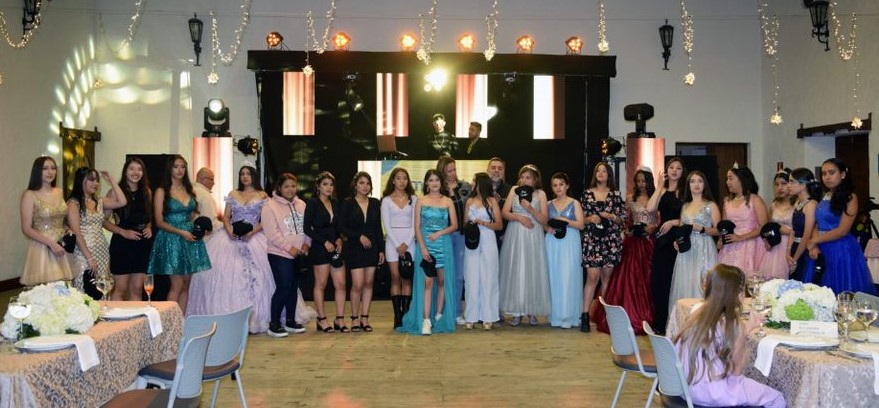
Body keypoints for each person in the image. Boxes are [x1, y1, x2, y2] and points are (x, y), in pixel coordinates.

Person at [674, 264, 786, 408]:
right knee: (777, 398)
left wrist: (748, 327)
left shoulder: (697, 313)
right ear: (738, 294)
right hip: (716, 394)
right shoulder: (733, 324)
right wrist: (742, 335)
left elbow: (719, 338)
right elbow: (736, 373)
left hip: (686, 388)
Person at [188, 165, 278, 334]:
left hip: (254, 236)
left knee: (262, 274)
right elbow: (226, 217)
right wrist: (229, 232)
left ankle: (259, 317)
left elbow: (264, 220)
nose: (245, 176)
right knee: (222, 273)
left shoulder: (262, 195)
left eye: (248, 173)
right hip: (230, 236)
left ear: (254, 176)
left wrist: (252, 233)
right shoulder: (233, 194)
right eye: (242, 174)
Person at [593, 167, 657, 334]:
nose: (641, 184)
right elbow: (624, 220)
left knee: (648, 278)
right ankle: (624, 315)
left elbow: (659, 219)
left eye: (644, 181)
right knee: (627, 278)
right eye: (638, 181)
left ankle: (649, 316)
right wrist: (628, 230)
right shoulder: (629, 199)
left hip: (649, 243)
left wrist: (653, 227)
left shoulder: (656, 197)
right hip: (633, 243)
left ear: (649, 182)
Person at [147, 155, 211, 314]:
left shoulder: (189, 189)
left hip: (189, 239)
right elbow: (159, 221)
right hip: (171, 238)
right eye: (176, 166)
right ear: (169, 169)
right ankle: (170, 322)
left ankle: (182, 321)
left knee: (186, 285)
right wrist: (180, 232)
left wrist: (199, 229)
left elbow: (191, 216)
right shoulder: (161, 191)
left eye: (183, 166)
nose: (180, 170)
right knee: (177, 285)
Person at [803, 159, 877, 294]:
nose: (827, 177)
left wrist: (814, 241)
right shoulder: (825, 196)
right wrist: (814, 245)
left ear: (842, 174)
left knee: (841, 291)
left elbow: (842, 230)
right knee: (819, 291)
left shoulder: (850, 197)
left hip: (840, 248)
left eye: (831, 173)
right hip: (821, 247)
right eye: (824, 174)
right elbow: (817, 224)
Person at [398, 169, 458, 335]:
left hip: (443, 245)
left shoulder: (448, 201)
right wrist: (423, 247)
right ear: (426, 183)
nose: (434, 183)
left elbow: (454, 225)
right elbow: (417, 227)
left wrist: (440, 233)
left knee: (442, 281)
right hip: (426, 246)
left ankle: (438, 315)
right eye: (431, 180)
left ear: (441, 182)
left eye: (436, 180)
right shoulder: (421, 200)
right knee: (428, 283)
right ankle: (426, 320)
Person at [261, 173, 316, 338]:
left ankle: (290, 321)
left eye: (293, 186)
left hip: (298, 254)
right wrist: (288, 248)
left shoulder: (302, 204)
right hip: (279, 254)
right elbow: (272, 233)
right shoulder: (269, 206)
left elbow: (308, 227)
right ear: (279, 188)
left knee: (293, 288)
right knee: (283, 287)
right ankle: (274, 324)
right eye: (286, 186)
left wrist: (307, 243)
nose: (290, 189)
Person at [499, 164, 550, 326]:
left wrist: (530, 209)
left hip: (533, 235)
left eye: (528, 177)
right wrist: (519, 217)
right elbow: (504, 212)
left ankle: (531, 310)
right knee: (517, 269)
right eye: (522, 177)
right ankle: (516, 311)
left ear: (535, 180)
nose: (524, 180)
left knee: (532, 270)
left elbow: (544, 219)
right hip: (515, 234)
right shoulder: (514, 190)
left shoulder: (540, 193)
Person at [580, 162, 626, 332]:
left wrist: (612, 216)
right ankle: (585, 316)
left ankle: (603, 316)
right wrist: (589, 219)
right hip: (592, 240)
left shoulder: (615, 195)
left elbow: (622, 219)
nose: (600, 173)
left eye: (604, 171)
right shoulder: (586, 194)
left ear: (609, 175)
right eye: (598, 170)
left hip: (611, 241)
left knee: (607, 278)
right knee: (592, 276)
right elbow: (580, 219)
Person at [67, 167, 127, 296]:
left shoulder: (99, 201)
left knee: (102, 290)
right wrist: (89, 258)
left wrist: (111, 180)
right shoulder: (73, 203)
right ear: (81, 180)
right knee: (84, 288)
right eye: (91, 180)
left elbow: (122, 201)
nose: (95, 183)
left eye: (97, 180)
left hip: (102, 251)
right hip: (83, 253)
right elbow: (77, 233)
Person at [668, 171, 721, 314]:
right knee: (686, 283)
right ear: (688, 185)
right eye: (693, 181)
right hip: (687, 249)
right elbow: (681, 229)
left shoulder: (711, 205)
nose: (696, 184)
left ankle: (705, 319)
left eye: (700, 181)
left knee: (703, 283)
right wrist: (677, 242)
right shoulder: (685, 206)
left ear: (704, 184)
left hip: (705, 247)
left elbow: (718, 230)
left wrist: (703, 229)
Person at [19, 156, 75, 286]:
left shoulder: (59, 192)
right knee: (49, 289)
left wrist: (67, 228)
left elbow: (60, 219)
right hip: (42, 247)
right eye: (45, 168)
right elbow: (26, 228)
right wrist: (50, 243)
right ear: (37, 171)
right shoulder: (30, 195)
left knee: (64, 289)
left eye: (53, 168)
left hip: (62, 245)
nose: (50, 172)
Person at [339, 172, 385, 332]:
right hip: (355, 247)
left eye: (368, 183)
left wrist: (381, 250)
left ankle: (365, 318)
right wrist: (358, 236)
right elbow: (341, 227)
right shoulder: (348, 203)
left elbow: (378, 228)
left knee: (369, 283)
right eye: (361, 183)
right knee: (357, 284)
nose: (365, 186)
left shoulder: (375, 203)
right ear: (355, 185)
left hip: (372, 247)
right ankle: (354, 318)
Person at [103, 158, 154, 301]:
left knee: (137, 289)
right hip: (122, 245)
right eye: (132, 169)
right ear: (125, 171)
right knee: (120, 289)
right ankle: (116, 316)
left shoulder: (147, 192)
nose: (135, 172)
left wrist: (149, 227)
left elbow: (148, 217)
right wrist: (123, 232)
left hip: (142, 245)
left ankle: (136, 316)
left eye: (139, 169)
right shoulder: (114, 192)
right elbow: (103, 221)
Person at [304, 171, 348, 333]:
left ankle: (339, 319)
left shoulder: (335, 203)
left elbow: (339, 227)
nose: (329, 187)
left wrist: (339, 238)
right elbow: (307, 228)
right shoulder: (312, 203)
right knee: (321, 284)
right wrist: (324, 242)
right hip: (319, 248)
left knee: (341, 284)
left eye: (331, 185)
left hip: (335, 247)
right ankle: (321, 319)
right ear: (318, 186)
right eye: (325, 184)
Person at [648, 157, 685, 334]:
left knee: (673, 281)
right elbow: (650, 209)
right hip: (662, 240)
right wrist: (659, 186)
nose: (674, 171)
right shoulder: (662, 190)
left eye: (678, 168)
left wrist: (673, 222)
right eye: (671, 167)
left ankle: (674, 324)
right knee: (658, 282)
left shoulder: (684, 191)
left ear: (682, 172)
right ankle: (660, 323)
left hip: (678, 239)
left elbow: (691, 217)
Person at [544, 172, 585, 329]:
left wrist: (566, 221)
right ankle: (555, 314)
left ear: (567, 185)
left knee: (568, 276)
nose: (558, 187)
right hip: (552, 242)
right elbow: (544, 222)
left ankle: (568, 315)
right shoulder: (548, 204)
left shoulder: (574, 203)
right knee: (553, 276)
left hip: (570, 242)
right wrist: (547, 228)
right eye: (555, 185)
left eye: (561, 184)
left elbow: (581, 225)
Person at [463, 172, 503, 329]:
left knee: (489, 277)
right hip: (473, 240)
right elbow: (465, 223)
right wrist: (471, 225)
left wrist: (484, 223)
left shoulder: (492, 201)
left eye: (474, 180)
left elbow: (499, 225)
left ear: (481, 183)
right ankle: (471, 316)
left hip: (488, 239)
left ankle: (488, 316)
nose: (472, 183)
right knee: (471, 277)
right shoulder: (469, 201)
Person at [380, 168, 417, 328]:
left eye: (405, 178)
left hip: (410, 242)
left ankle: (406, 315)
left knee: (406, 277)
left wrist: (406, 243)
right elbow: (386, 225)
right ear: (393, 180)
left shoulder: (414, 199)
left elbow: (416, 224)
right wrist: (397, 244)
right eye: (398, 178)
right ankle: (398, 316)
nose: (402, 181)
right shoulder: (386, 200)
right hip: (392, 243)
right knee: (395, 277)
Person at [716, 166, 768, 277]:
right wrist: (721, 240)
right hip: (730, 246)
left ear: (741, 179)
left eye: (730, 178)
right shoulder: (727, 201)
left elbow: (764, 227)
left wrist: (741, 237)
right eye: (727, 179)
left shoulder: (755, 200)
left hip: (750, 245)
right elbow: (724, 226)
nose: (727, 182)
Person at [437, 156, 468, 325]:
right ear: (442, 172)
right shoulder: (437, 189)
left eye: (454, 169)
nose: (453, 173)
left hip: (461, 236)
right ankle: (440, 311)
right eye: (449, 171)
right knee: (442, 276)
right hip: (443, 236)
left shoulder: (465, 187)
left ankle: (456, 312)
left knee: (459, 276)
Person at [759, 169, 795, 279]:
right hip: (775, 245)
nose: (780, 187)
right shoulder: (774, 205)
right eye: (777, 184)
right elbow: (768, 227)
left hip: (790, 244)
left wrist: (786, 231)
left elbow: (801, 229)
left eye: (783, 183)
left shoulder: (797, 204)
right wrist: (767, 241)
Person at [787, 168, 819, 282]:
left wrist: (795, 259)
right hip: (795, 247)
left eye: (792, 182)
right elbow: (793, 230)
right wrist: (788, 252)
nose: (788, 185)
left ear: (803, 184)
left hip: (805, 250)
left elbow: (807, 235)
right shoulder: (798, 203)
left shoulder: (811, 205)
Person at [193, 167, 223, 236]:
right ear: (204, 179)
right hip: (202, 236)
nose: (214, 183)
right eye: (212, 179)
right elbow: (211, 223)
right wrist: (226, 226)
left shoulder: (187, 190)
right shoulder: (205, 196)